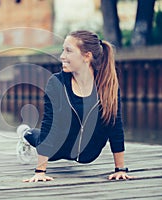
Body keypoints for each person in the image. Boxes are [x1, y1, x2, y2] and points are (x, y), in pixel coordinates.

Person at [16, 30, 133, 182]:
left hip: (88, 154)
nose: (62, 56)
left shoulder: (108, 85)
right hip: (57, 146)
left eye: (68, 51)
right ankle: (26, 134)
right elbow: (49, 125)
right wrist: (40, 171)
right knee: (40, 139)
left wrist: (120, 169)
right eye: (63, 50)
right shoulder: (56, 83)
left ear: (87, 56)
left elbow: (115, 126)